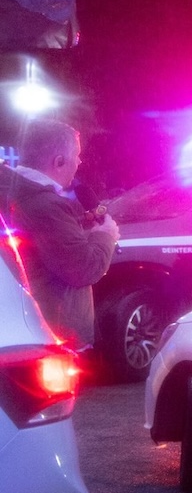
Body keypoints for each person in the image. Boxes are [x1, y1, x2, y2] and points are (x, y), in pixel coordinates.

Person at [0, 119, 120, 349]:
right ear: (59, 161)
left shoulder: (17, 193)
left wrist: (81, 225)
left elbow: (47, 244)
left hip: (23, 329)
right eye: (77, 155)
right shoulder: (46, 205)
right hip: (54, 335)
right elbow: (85, 268)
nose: (79, 162)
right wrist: (106, 234)